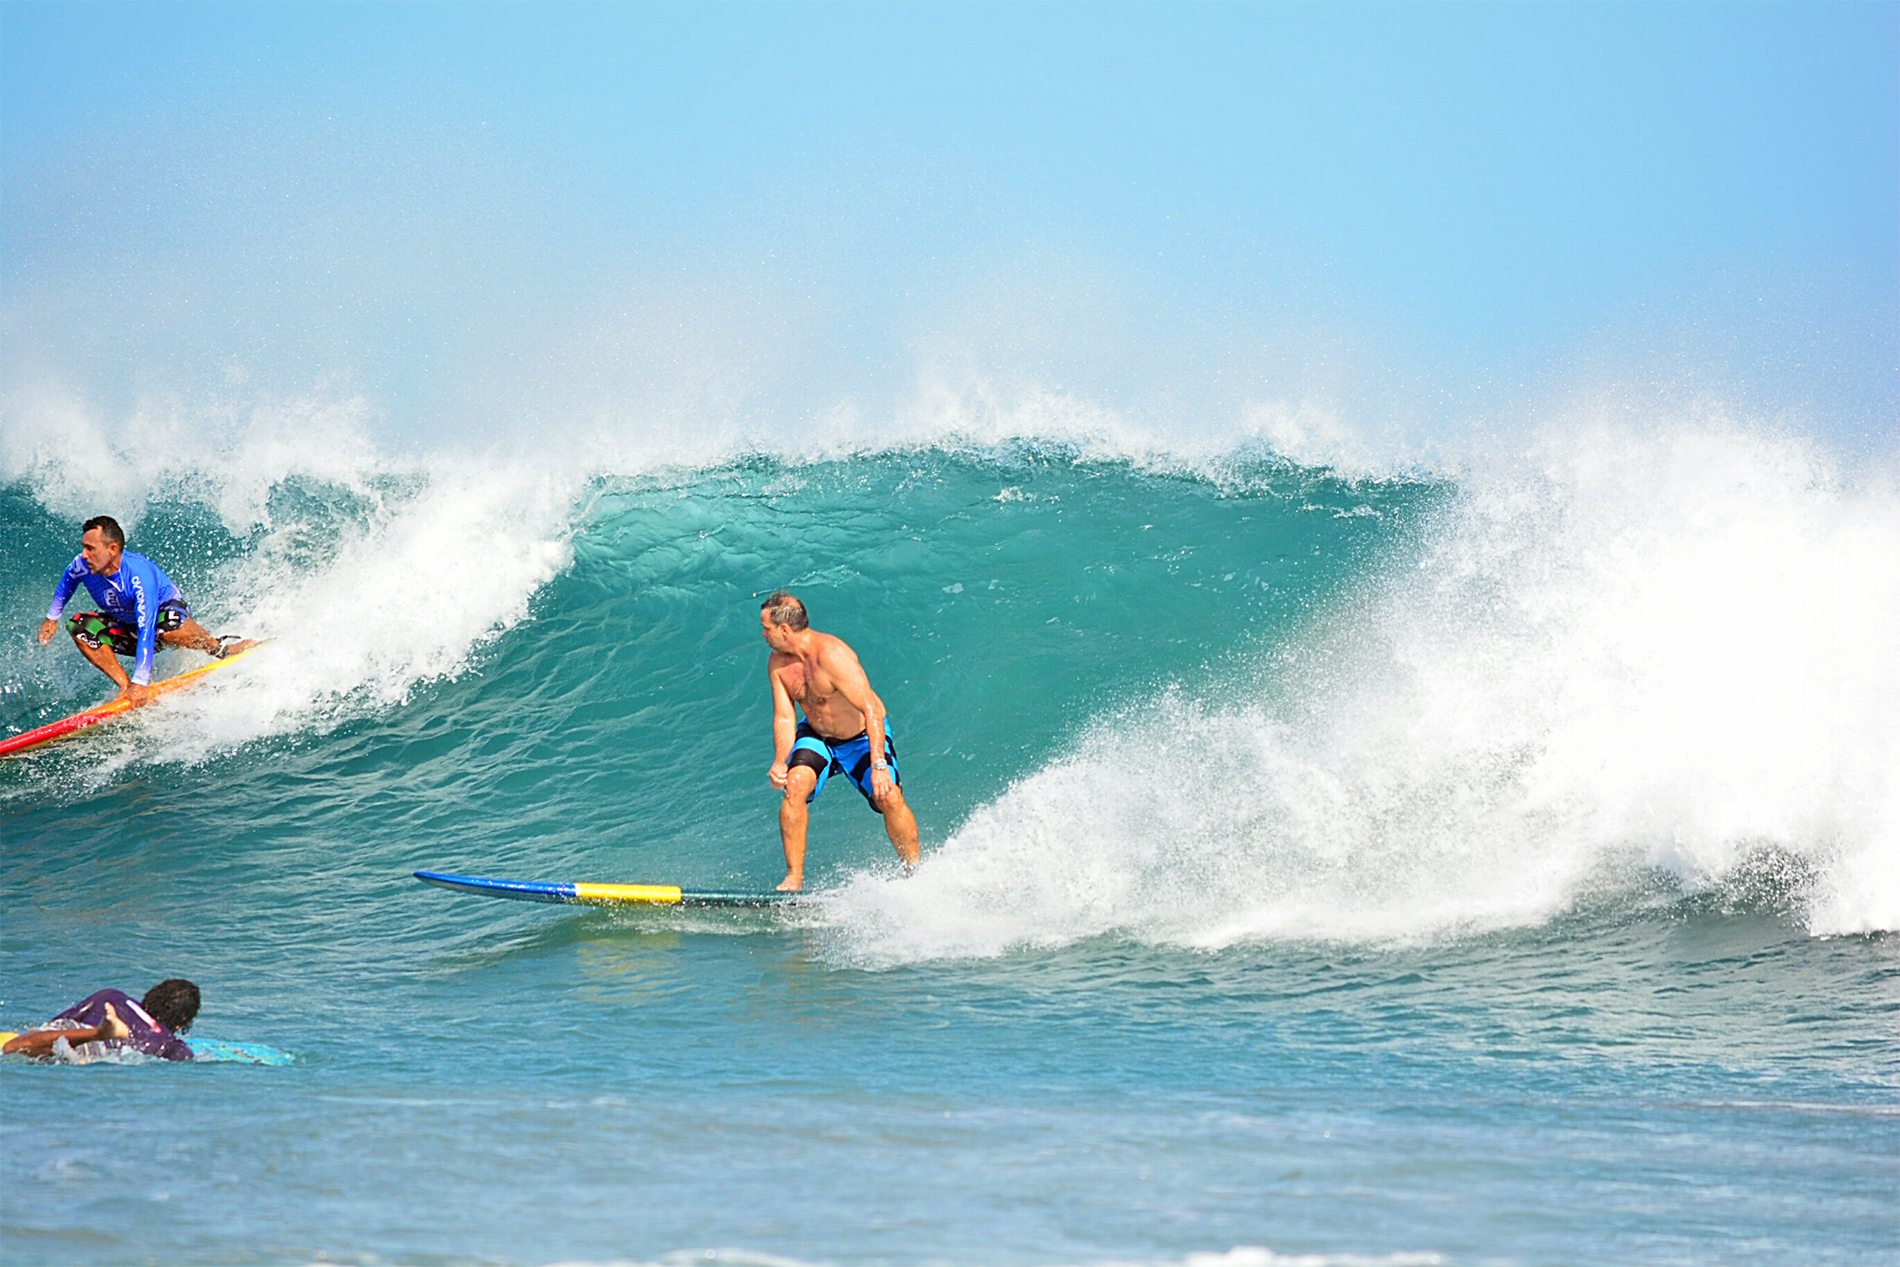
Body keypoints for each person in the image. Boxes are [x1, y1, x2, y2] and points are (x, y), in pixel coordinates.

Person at [762, 591, 921, 891]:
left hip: (860, 737)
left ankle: (915, 874)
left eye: (766, 628)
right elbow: (784, 717)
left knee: (888, 797)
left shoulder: (832, 656)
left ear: (784, 630)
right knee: (794, 786)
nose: (763, 634)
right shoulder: (778, 664)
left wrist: (879, 764)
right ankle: (794, 879)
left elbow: (870, 708)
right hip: (818, 736)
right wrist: (781, 761)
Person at [37, 515, 253, 706]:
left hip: (162, 618)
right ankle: (125, 686)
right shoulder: (81, 565)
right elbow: (68, 580)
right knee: (79, 626)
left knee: (167, 628)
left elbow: (147, 629)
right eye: (83, 547)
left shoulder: (138, 576)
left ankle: (221, 650)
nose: (84, 554)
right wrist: (52, 618)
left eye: (90, 548)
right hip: (126, 624)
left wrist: (142, 681)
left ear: (112, 550)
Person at [1, 978, 200, 1062]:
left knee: (16, 1046)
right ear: (182, 1020)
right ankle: (102, 1033)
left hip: (68, 1030)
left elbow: (52, 1024)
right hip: (97, 1050)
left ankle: (100, 1032)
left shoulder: (113, 996)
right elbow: (185, 1062)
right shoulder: (170, 1043)